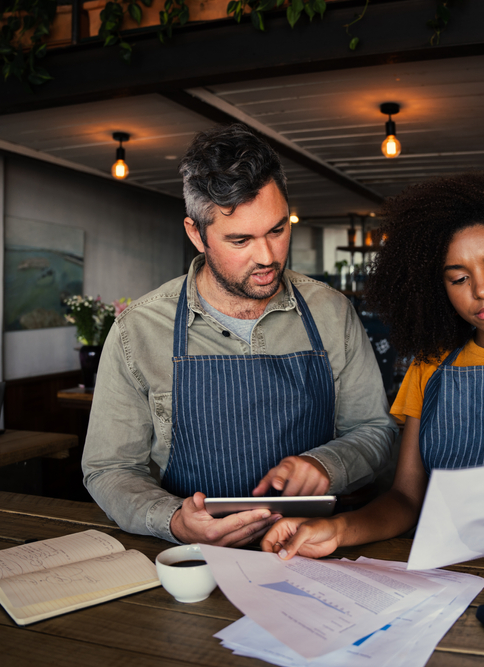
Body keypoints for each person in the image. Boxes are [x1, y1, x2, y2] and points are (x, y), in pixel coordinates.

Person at [262, 172, 484, 569]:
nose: (482, 289)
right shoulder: (430, 363)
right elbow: (406, 500)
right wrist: (337, 530)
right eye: (459, 277)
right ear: (438, 288)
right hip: (439, 576)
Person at [82, 124, 397, 547]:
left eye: (277, 229)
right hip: (192, 559)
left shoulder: (331, 312)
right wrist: (174, 519)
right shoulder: (137, 331)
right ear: (196, 234)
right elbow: (109, 469)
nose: (267, 257)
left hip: (309, 552)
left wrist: (328, 465)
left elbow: (375, 428)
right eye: (239, 240)